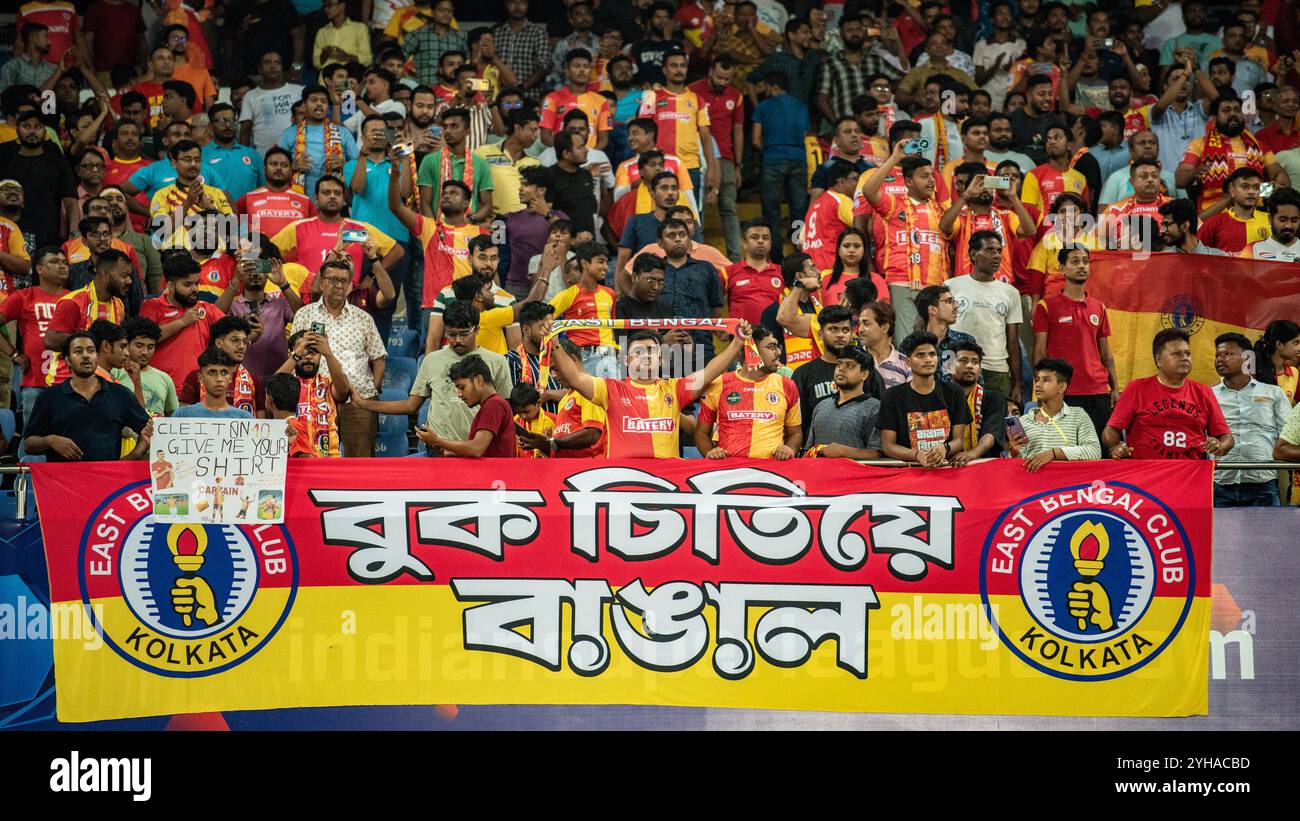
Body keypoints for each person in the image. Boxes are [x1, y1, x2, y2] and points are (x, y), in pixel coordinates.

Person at [550, 323, 746, 458]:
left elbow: (710, 371)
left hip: (665, 483)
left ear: (661, 359)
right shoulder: (610, 388)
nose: (645, 356)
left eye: (651, 351)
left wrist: (737, 342)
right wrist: (555, 344)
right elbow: (574, 378)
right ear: (626, 360)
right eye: (638, 352)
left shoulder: (674, 388)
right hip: (622, 480)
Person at [355, 301, 513, 447]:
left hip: (480, 451)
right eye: (451, 334)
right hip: (439, 450)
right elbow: (411, 405)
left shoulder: (497, 362)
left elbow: (507, 411)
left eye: (464, 334)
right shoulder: (431, 360)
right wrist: (366, 404)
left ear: (477, 329)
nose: (457, 340)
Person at [292, 258, 387, 457]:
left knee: (360, 463)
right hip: (316, 400)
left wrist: (373, 389)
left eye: (344, 281)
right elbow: (296, 354)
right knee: (314, 461)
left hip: (358, 400)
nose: (339, 285)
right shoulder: (304, 315)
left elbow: (379, 357)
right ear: (322, 282)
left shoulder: (363, 317)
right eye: (333, 280)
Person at [861, 141, 946, 344]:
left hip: (935, 285)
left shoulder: (941, 210)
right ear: (908, 181)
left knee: (935, 343)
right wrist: (895, 158)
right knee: (906, 342)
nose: (931, 181)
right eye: (924, 176)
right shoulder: (895, 204)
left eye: (932, 175)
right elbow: (869, 191)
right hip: (902, 282)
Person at [1031, 245, 1120, 440]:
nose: (1082, 266)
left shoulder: (1099, 307)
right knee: (1065, 450)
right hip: (1063, 390)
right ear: (1062, 269)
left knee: (1099, 451)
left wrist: (1114, 388)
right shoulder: (1046, 306)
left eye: (1085, 262)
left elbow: (1106, 354)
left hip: (1097, 390)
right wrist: (1041, 389)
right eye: (1075, 261)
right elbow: (1039, 354)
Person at [1104, 328, 1234, 460]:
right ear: (1159, 360)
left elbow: (1227, 438)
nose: (1185, 358)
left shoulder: (1203, 391)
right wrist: (1115, 448)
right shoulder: (1137, 388)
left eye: (1188, 353)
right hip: (1145, 474)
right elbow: (1110, 431)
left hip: (1191, 475)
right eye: (1177, 354)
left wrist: (1220, 446)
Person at [24, 331, 151, 462]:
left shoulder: (119, 394)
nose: (85, 356)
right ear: (67, 359)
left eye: (90, 351)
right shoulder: (49, 397)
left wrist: (131, 458)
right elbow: (29, 445)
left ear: (97, 355)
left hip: (106, 478)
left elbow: (147, 431)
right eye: (78, 351)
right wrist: (50, 441)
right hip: (63, 479)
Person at [694, 325, 800, 459]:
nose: (778, 352)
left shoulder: (787, 385)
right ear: (750, 350)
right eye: (771, 347)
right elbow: (701, 433)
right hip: (729, 472)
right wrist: (710, 453)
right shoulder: (719, 384)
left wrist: (789, 448)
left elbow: (795, 433)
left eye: (777, 347)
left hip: (772, 473)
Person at [1211, 332, 1290, 507]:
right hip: (1221, 483)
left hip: (1263, 483)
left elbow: (1287, 435)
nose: (1220, 359)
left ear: (1247, 358)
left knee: (1268, 534)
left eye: (1228, 354)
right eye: (1217, 355)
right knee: (1221, 535)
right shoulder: (1208, 396)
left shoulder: (1273, 393)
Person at [946, 230, 1024, 404]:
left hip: (996, 369)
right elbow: (943, 330)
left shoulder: (1011, 293)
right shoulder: (951, 286)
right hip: (957, 366)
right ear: (973, 254)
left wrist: (1017, 383)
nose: (996, 256)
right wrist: (946, 369)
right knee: (956, 419)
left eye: (999, 251)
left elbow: (1012, 342)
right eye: (989, 250)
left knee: (994, 423)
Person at [1176, 95, 1287, 214]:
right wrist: (1193, 173)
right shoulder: (1199, 144)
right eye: (1226, 110)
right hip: (1213, 213)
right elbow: (1180, 180)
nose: (1233, 114)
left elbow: (1280, 177)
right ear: (1214, 118)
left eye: (1237, 110)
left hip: (1254, 213)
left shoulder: (1260, 146)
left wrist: (1269, 189)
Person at [879, 330, 971, 467]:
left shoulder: (954, 392)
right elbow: (888, 446)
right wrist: (917, 455)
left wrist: (945, 448)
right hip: (908, 472)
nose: (928, 359)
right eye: (920, 355)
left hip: (946, 471)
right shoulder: (892, 396)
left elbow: (959, 441)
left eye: (932, 354)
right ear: (908, 362)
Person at [44, 248, 133, 386]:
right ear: (104, 274)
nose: (129, 281)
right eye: (124, 275)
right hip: (65, 384)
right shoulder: (73, 302)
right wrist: (90, 340)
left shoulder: (119, 305)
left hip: (100, 383)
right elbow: (50, 340)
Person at [0, 246, 68, 422]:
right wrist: (14, 354)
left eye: (64, 262)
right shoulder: (24, 297)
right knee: (32, 441)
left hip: (69, 385)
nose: (62, 266)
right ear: (39, 269)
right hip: (35, 383)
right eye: (54, 262)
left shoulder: (77, 298)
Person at [138, 253, 224, 391]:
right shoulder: (151, 306)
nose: (195, 289)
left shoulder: (207, 309)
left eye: (197, 283)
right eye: (188, 284)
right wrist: (182, 322)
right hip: (156, 389)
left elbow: (232, 332)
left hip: (195, 391)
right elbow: (146, 338)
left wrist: (253, 334)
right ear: (171, 286)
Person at [1005, 358, 1103, 471]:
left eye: (1046, 380)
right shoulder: (1024, 421)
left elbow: (1094, 451)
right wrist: (1013, 453)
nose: (1038, 384)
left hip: (1068, 484)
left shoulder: (1078, 415)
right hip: (1033, 484)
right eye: (1037, 379)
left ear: (1061, 387)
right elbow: (1019, 465)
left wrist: (1054, 453)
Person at [411, 353, 517, 457]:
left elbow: (476, 449)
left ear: (479, 381)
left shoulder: (494, 405)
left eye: (462, 387)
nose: (459, 394)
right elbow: (485, 452)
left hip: (493, 474)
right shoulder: (492, 404)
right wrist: (452, 453)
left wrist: (437, 441)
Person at [0, 110, 77, 250]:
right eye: (26, 126)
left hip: (48, 239)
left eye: (37, 126)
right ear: (17, 129)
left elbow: (71, 203)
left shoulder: (58, 164)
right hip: (7, 236)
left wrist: (74, 236)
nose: (32, 131)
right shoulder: (4, 162)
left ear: (45, 131)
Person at [940, 167, 1034, 280]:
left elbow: (1029, 231)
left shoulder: (1006, 216)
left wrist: (1013, 197)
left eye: (989, 184)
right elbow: (944, 226)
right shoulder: (961, 217)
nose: (985, 188)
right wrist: (967, 194)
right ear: (969, 189)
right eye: (979, 185)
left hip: (1001, 284)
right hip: (967, 285)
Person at [753, 71, 809, 259]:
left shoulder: (763, 107)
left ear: (772, 86)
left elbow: (755, 140)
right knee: (799, 210)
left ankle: (776, 257)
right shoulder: (801, 107)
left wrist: (769, 151)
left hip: (773, 158)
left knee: (771, 211)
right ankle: (799, 251)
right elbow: (803, 136)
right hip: (798, 159)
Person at [275, 328, 350, 458]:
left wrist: (328, 353)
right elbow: (273, 387)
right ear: (291, 354)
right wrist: (299, 350)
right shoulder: (285, 385)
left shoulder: (327, 383)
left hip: (328, 460)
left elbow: (343, 391)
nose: (309, 356)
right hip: (292, 458)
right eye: (304, 351)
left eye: (314, 352)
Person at [550, 240, 618, 379]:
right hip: (582, 357)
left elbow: (612, 327)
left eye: (606, 262)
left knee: (612, 400)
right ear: (585, 263)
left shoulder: (610, 293)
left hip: (609, 357)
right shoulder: (568, 295)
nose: (605, 267)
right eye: (600, 261)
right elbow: (543, 320)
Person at [279, 85, 358, 197]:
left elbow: (359, 165)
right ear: (304, 105)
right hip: (298, 200)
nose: (319, 104)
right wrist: (292, 165)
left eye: (324, 101)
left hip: (335, 199)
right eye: (314, 100)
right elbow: (277, 166)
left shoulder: (343, 132)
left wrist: (344, 165)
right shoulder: (289, 133)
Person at [177, 315, 263, 415]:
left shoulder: (254, 381)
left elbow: (260, 426)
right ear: (218, 343)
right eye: (235, 340)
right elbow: (182, 419)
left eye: (244, 341)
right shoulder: (196, 376)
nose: (241, 346)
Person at [948, 339, 1008, 465]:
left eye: (975, 362)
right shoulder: (940, 397)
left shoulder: (994, 398)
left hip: (982, 464)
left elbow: (991, 434)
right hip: (945, 463)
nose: (970, 365)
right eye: (963, 361)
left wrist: (972, 453)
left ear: (980, 370)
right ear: (949, 366)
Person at [541, 48, 612, 151]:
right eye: (577, 66)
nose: (582, 70)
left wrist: (588, 155)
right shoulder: (552, 99)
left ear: (590, 71)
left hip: (590, 157)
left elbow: (603, 139)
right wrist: (566, 153)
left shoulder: (601, 101)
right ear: (567, 71)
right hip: (560, 157)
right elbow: (545, 137)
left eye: (586, 66)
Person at [239, 52, 305, 156]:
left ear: (282, 67)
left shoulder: (300, 91)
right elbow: (245, 131)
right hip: (263, 156)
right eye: (267, 62)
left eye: (277, 63)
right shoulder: (251, 95)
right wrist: (243, 157)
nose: (273, 66)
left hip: (297, 154)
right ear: (260, 69)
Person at [113, 317, 179, 418]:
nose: (145, 352)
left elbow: (172, 417)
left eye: (150, 347)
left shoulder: (165, 379)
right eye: (139, 346)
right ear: (127, 345)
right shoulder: (114, 373)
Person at [1197, 167, 1271, 254]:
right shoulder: (1214, 223)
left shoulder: (1270, 220)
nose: (1251, 192)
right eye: (1245, 187)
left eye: (1256, 187)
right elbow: (1197, 254)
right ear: (1232, 190)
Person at [801, 159, 858, 272]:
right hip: (832, 268)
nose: (858, 184)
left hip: (811, 272)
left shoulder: (814, 205)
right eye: (855, 179)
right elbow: (861, 227)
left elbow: (800, 243)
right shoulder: (841, 200)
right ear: (841, 181)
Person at [722, 219, 781, 327]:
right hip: (741, 338)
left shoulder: (782, 272)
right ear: (744, 243)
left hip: (774, 338)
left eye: (765, 238)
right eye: (754, 237)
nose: (760, 241)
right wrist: (719, 330)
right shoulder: (728, 272)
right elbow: (711, 302)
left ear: (770, 244)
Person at [173, 348, 254, 419]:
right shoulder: (182, 415)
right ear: (200, 378)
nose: (219, 379)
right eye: (212, 372)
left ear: (230, 377)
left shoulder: (244, 418)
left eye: (224, 372)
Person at [859, 301, 910, 389]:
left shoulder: (906, 364)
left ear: (885, 327)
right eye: (859, 324)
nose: (860, 329)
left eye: (866, 324)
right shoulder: (854, 360)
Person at [1157, 197, 1227, 255]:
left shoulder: (1219, 258)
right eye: (1163, 225)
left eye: (1166, 224)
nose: (1162, 230)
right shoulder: (1163, 260)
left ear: (1185, 226)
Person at [1248, 185, 1300, 261]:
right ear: (1270, 219)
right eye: (1282, 220)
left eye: (1294, 220)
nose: (1289, 226)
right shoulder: (1253, 250)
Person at [509, 381, 556, 458]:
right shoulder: (514, 422)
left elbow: (560, 451)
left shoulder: (553, 420)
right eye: (519, 412)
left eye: (526, 412)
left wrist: (545, 443)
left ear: (538, 403)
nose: (523, 416)